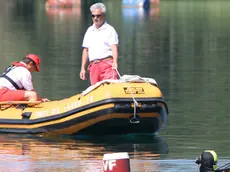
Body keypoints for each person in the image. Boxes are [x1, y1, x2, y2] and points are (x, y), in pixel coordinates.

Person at [79, 2, 119, 85]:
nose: (95, 18)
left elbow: (114, 47)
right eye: (93, 16)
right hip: (94, 66)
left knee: (110, 87)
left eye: (98, 15)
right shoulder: (89, 31)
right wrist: (83, 68)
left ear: (103, 16)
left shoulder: (110, 30)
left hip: (107, 65)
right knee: (96, 91)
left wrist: (115, 61)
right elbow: (86, 50)